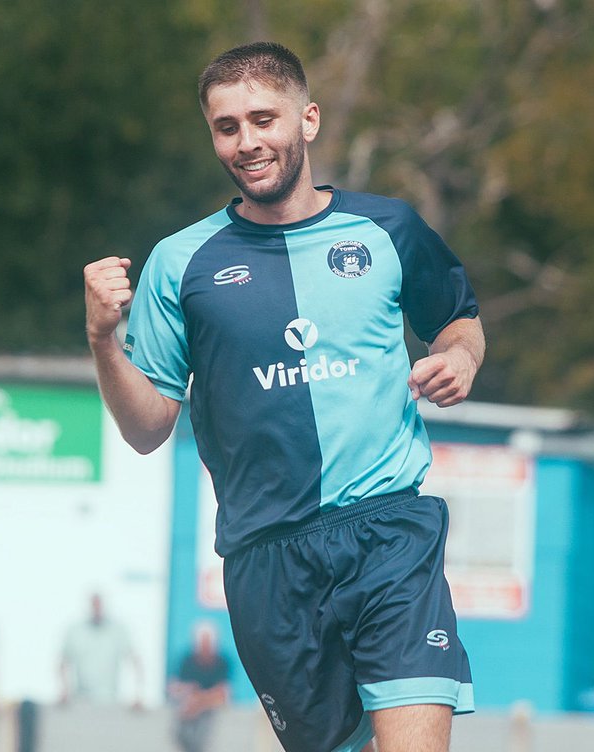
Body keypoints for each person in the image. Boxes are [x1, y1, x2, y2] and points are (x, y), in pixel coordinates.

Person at [83, 41, 484, 752]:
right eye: (226, 127)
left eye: (263, 119)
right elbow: (147, 430)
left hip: (389, 532)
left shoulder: (387, 229)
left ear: (309, 120)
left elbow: (458, 319)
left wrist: (458, 355)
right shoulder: (183, 262)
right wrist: (103, 343)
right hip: (269, 562)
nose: (246, 142)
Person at [57, 592, 144, 707]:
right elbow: (63, 662)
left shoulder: (118, 631)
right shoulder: (75, 631)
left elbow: (134, 661)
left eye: (99, 604)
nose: (96, 608)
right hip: (81, 699)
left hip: (110, 699)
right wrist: (64, 690)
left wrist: (138, 694)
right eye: (94, 605)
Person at [168, 622, 231, 752]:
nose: (205, 647)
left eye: (208, 643)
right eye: (202, 643)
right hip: (188, 706)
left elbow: (222, 693)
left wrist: (199, 701)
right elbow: (174, 687)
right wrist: (190, 694)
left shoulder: (222, 662)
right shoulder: (187, 660)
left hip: (208, 709)